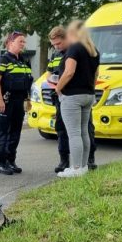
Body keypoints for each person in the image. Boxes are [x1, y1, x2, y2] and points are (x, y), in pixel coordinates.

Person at [47, 26, 98, 173]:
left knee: (74, 134)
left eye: (58, 43)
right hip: (88, 94)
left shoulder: (73, 49)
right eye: (54, 45)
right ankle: (83, 166)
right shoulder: (92, 49)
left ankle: (76, 169)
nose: (56, 47)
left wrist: (58, 89)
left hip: (72, 96)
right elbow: (95, 74)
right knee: (84, 132)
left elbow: (69, 72)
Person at [0, 32, 33, 175]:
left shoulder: (24, 60)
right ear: (10, 43)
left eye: (24, 42)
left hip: (19, 102)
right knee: (3, 133)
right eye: (20, 41)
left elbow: (27, 81)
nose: (23, 44)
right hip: (6, 101)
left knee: (15, 133)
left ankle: (10, 161)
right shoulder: (3, 59)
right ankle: (0, 163)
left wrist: (28, 99)